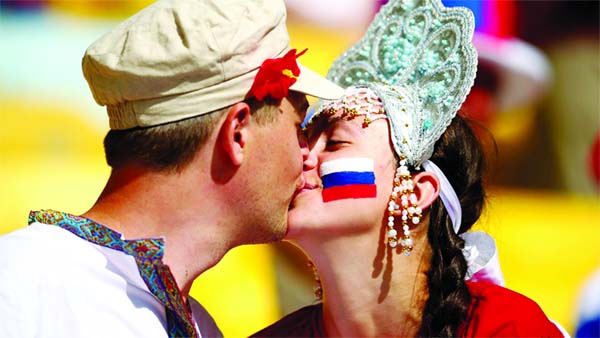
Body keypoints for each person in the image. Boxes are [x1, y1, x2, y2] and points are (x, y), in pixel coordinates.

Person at [0, 1, 343, 337]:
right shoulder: (22, 280)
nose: (309, 155)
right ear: (238, 132)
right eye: (300, 128)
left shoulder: (199, 325)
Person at [253, 0, 565, 336]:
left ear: (414, 193)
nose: (303, 155)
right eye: (306, 137)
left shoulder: (510, 328)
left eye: (335, 143)